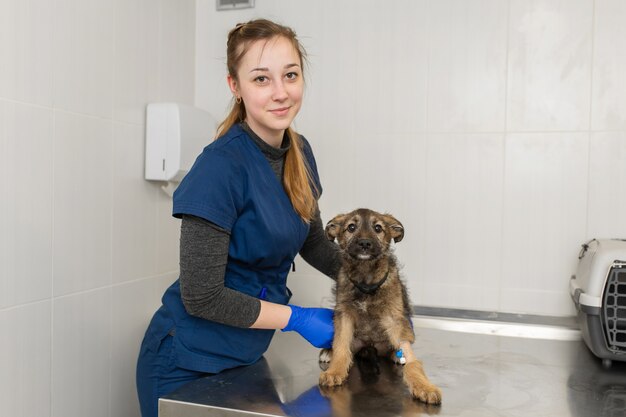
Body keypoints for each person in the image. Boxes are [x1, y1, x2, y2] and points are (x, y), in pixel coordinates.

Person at [136, 18, 341, 417]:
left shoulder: (299, 152)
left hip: (243, 357)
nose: (281, 93)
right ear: (236, 86)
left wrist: (370, 280)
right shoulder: (220, 167)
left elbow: (312, 241)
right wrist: (296, 318)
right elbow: (202, 295)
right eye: (262, 79)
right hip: (185, 364)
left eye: (291, 75)